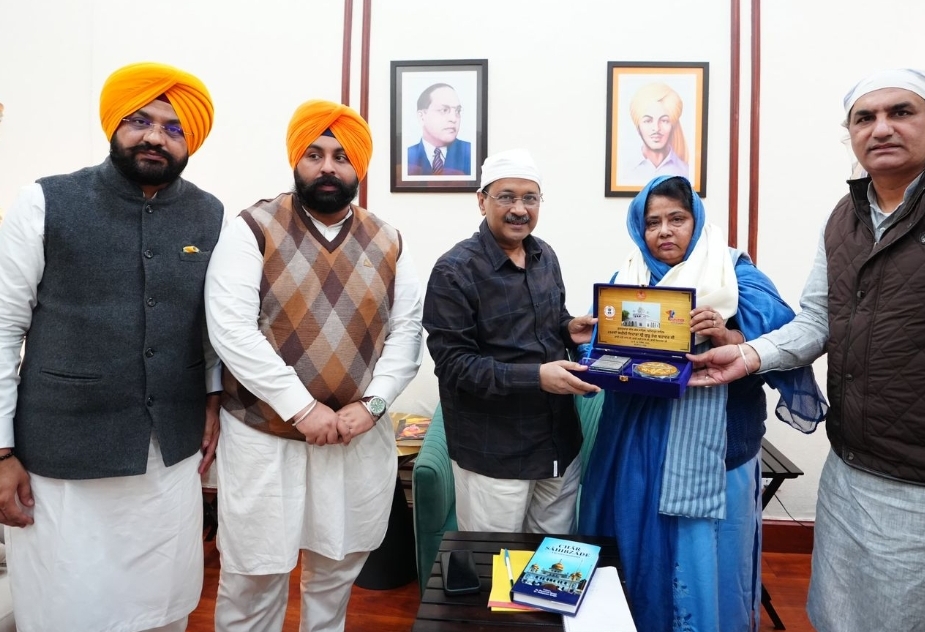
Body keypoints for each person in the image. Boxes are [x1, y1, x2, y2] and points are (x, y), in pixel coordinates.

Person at [688, 69, 925, 631]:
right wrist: (749, 355)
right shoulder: (844, 218)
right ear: (849, 133)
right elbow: (818, 319)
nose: (881, 128)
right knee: (840, 618)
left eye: (901, 112)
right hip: (851, 479)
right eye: (864, 118)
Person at [0, 61, 221, 632]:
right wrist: (0, 454)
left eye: (174, 127)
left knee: (162, 608)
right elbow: (2, 331)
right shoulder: (44, 201)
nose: (156, 137)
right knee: (67, 608)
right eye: (140, 120)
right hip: (61, 458)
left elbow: (212, 327)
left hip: (167, 458)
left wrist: (214, 399)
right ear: (114, 124)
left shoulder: (209, 213)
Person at [206, 99, 423, 631]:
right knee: (254, 577)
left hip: (353, 436)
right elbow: (232, 329)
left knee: (336, 571)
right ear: (296, 161)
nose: (328, 167)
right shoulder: (253, 228)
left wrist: (372, 406)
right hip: (265, 435)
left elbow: (406, 333)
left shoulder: (389, 240)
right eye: (315, 154)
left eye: (342, 157)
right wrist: (301, 408)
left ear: (359, 167)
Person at [577, 175, 826, 632]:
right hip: (637, 446)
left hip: (716, 452)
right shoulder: (628, 277)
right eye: (653, 222)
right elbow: (604, 347)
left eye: (677, 219)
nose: (664, 231)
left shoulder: (735, 274)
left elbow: (782, 342)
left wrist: (729, 335)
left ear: (696, 221)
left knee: (708, 558)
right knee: (637, 549)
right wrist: (593, 351)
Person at [423, 148, 600, 533]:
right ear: (482, 201)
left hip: (558, 445)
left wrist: (569, 328)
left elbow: (550, 320)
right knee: (495, 561)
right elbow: (454, 366)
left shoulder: (545, 255)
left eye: (530, 198)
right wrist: (536, 377)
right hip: (495, 454)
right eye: (506, 197)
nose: (520, 209)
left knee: (549, 561)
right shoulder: (454, 271)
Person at [621, 82, 691, 184]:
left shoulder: (686, 171)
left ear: (673, 125)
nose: (656, 128)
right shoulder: (625, 171)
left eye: (664, 120)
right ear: (638, 126)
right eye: (648, 121)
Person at [407, 83, 472, 176]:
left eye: (457, 111)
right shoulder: (406, 157)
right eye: (444, 110)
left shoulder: (471, 152)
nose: (454, 119)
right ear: (421, 117)